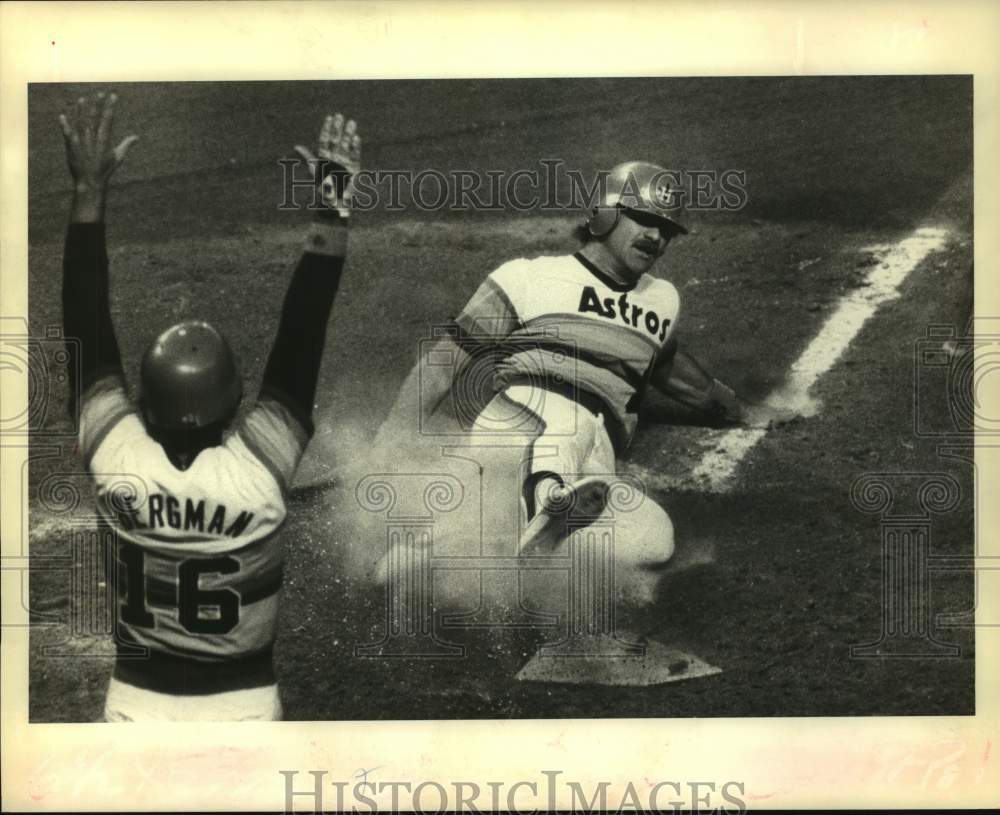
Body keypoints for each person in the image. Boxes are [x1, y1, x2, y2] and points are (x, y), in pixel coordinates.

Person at [59, 92, 360, 720]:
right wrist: (331, 212)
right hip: (244, 708)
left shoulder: (118, 459)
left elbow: (85, 332)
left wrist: (88, 194)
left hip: (133, 708)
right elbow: (300, 343)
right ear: (236, 403)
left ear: (142, 400)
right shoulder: (260, 474)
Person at [376, 161, 794, 607]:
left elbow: (678, 374)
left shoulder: (661, 300)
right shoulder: (525, 277)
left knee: (654, 541)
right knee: (566, 422)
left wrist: (745, 411)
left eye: (667, 230)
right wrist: (390, 440)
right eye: (646, 220)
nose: (657, 238)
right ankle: (544, 508)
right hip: (521, 420)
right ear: (605, 214)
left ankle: (444, 544)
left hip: (597, 454)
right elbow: (443, 364)